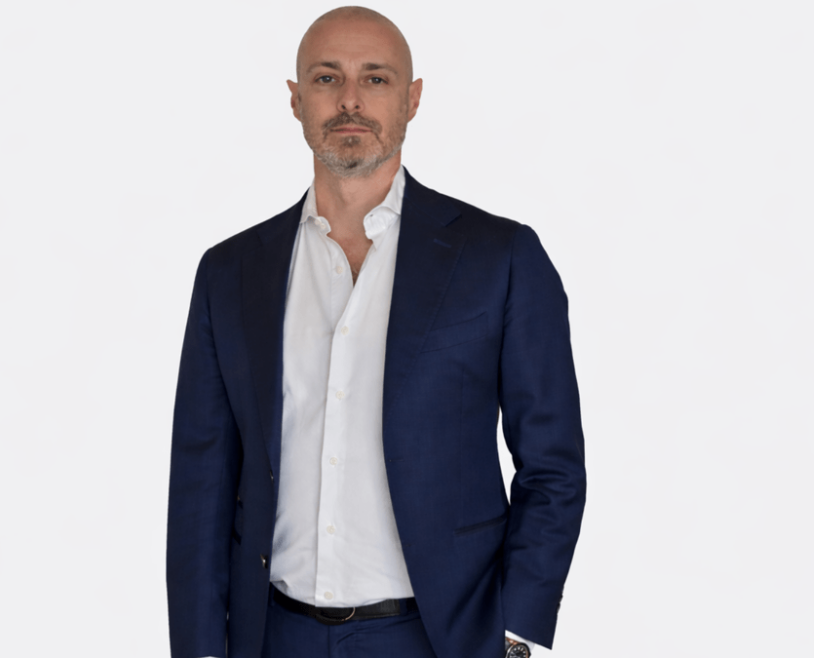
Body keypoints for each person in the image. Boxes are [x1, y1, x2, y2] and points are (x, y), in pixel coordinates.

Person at [165, 7, 586, 658]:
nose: (351, 100)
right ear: (296, 100)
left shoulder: (499, 258)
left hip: (440, 636)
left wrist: (516, 631)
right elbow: (201, 481)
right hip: (273, 636)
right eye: (327, 78)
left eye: (376, 79)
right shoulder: (231, 271)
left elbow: (552, 464)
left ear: (412, 99)